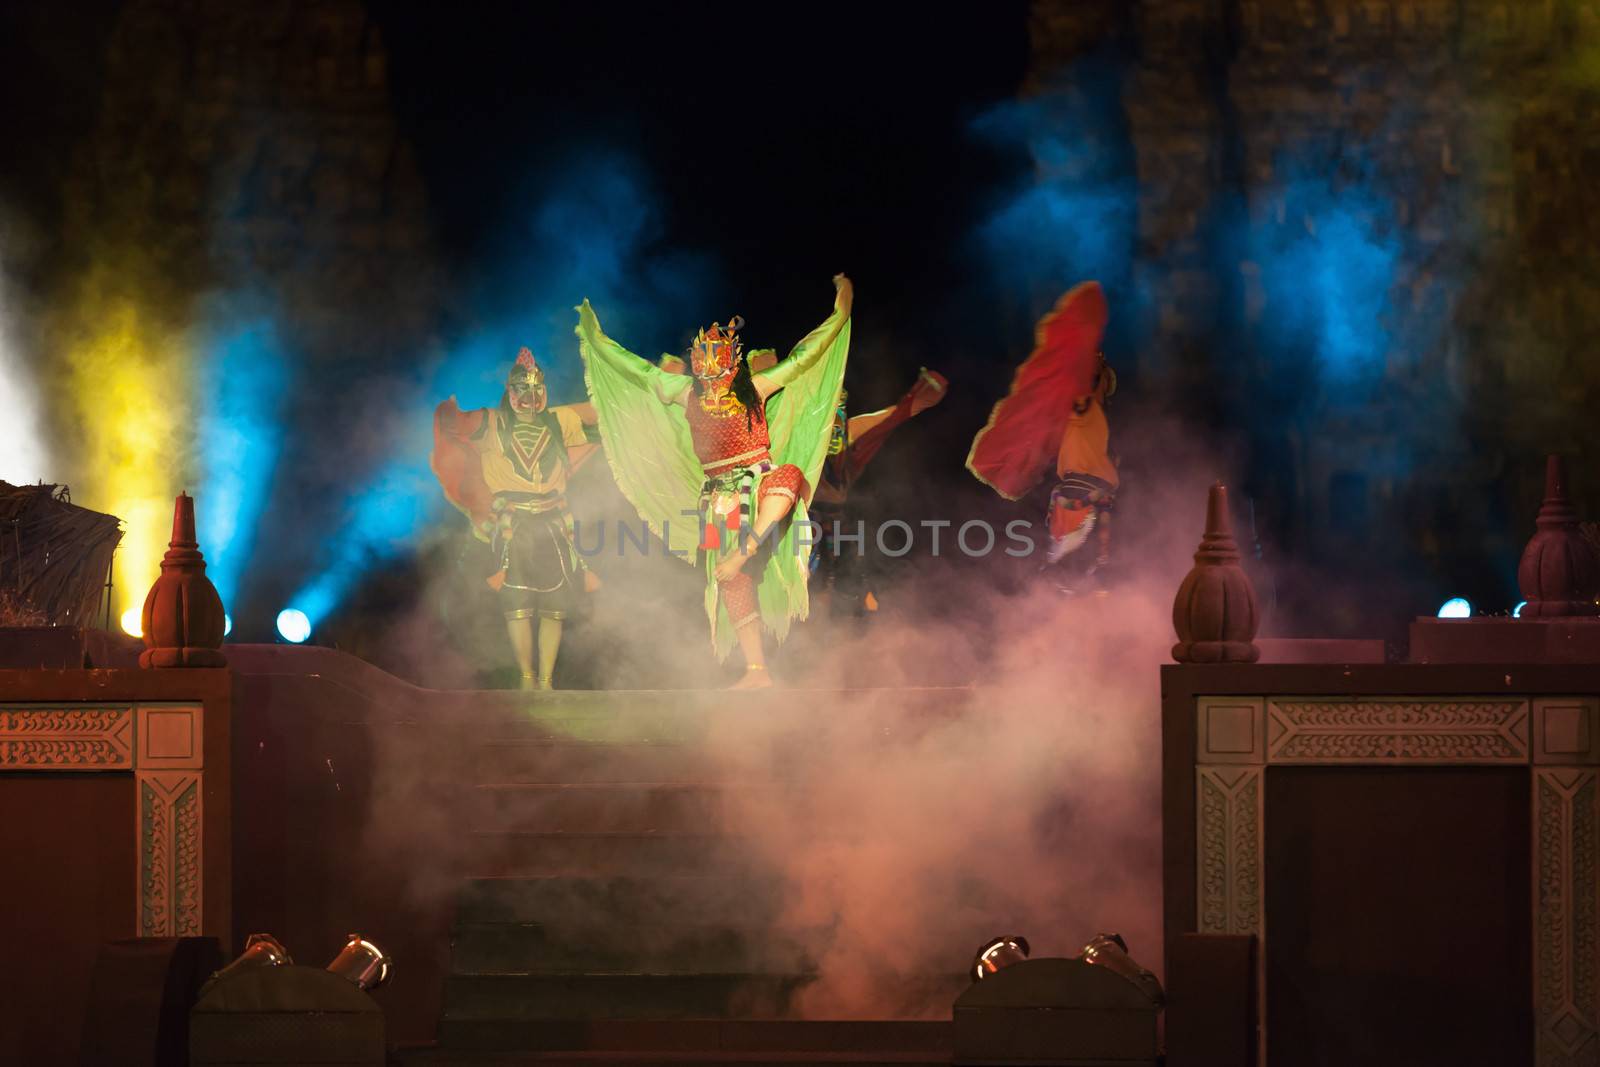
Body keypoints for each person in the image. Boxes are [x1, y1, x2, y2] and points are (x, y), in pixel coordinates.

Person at [575, 275, 852, 688]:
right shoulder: (686, 393)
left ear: (732, 360)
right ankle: (756, 670)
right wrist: (597, 341)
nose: (709, 370)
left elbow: (803, 358)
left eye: (716, 360)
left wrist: (841, 310)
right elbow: (638, 370)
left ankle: (749, 548)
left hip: (758, 486)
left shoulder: (754, 389)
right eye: (702, 361)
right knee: (731, 582)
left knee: (789, 476)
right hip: (719, 499)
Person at [430, 347, 601, 689]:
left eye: (537, 389)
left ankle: (547, 680)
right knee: (519, 600)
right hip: (513, 524)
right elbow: (458, 424)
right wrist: (447, 410)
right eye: (522, 389)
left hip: (551, 520)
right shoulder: (493, 422)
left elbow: (597, 417)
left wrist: (623, 392)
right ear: (509, 392)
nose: (530, 397)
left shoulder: (557, 420)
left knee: (554, 604)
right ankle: (526, 677)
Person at [967, 281, 1119, 585]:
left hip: (1089, 497)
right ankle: (1053, 593)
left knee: (1086, 571)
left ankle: (1057, 593)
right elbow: (1067, 391)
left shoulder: (1092, 413)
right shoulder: (1080, 408)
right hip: (1081, 496)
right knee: (1072, 573)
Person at [809, 369, 948, 614]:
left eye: (839, 410)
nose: (835, 424)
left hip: (835, 522)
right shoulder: (800, 438)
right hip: (804, 521)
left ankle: (852, 611)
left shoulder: (850, 430)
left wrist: (918, 400)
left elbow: (889, 418)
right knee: (811, 575)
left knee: (848, 568)